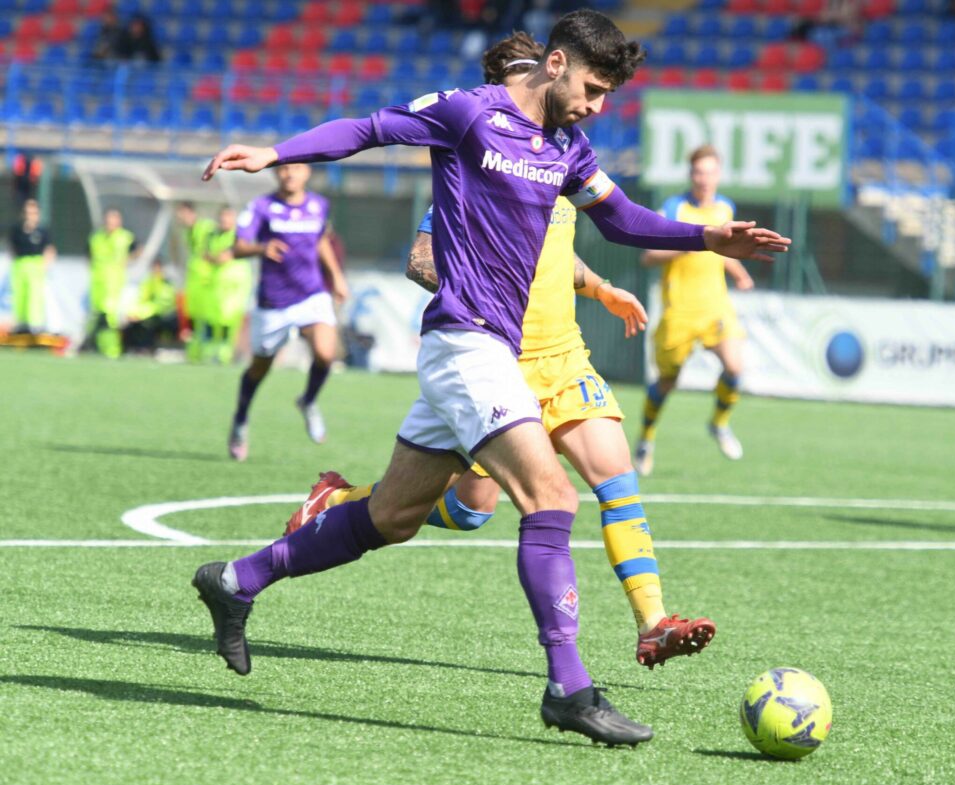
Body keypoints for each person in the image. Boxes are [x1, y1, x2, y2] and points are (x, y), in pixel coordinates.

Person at [190, 9, 788, 746]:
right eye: (596, 88)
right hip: (465, 345)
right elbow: (367, 128)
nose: (599, 107)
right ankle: (569, 687)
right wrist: (274, 151)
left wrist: (705, 237)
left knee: (391, 519)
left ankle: (236, 580)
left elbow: (625, 219)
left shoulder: (569, 145)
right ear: (559, 63)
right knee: (552, 495)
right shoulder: (470, 114)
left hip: (489, 354)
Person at [285, 32, 716, 672]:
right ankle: (342, 503)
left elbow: (554, 247)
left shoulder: (564, 152)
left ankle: (652, 622)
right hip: (495, 359)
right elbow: (424, 256)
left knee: (615, 481)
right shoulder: (478, 154)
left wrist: (600, 286)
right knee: (465, 509)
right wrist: (470, 283)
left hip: (563, 357)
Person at [634, 145, 756, 476]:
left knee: (735, 367)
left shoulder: (725, 208)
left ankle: (719, 423)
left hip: (715, 307)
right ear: (691, 175)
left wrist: (739, 272)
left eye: (710, 172)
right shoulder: (675, 208)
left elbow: (723, 249)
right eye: (698, 172)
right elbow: (648, 255)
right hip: (679, 312)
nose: (704, 178)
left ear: (718, 175)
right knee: (667, 383)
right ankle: (646, 437)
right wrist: (685, 245)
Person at [226, 163, 349, 461]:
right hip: (274, 303)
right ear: (274, 174)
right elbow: (238, 246)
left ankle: (307, 401)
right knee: (259, 369)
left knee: (325, 353)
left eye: (296, 168)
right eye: (283, 169)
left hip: (311, 295)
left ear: (306, 171)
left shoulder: (319, 204)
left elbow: (321, 241)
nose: (289, 174)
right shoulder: (261, 207)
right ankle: (240, 419)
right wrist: (261, 248)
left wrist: (336, 277)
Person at [205, 205, 254, 365]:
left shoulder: (239, 235)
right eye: (222, 217)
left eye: (228, 216)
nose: (224, 220)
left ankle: (226, 355)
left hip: (235, 286)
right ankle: (214, 353)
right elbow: (206, 255)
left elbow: (224, 256)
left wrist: (217, 257)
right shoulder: (214, 235)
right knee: (215, 320)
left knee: (230, 320)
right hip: (218, 284)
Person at [86, 208, 137, 359]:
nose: (110, 223)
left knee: (112, 318)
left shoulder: (125, 237)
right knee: (99, 316)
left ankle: (113, 349)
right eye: (108, 220)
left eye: (114, 219)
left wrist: (128, 261)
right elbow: (88, 254)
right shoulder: (96, 237)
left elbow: (137, 249)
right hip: (98, 284)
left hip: (115, 285)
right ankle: (101, 347)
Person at [7, 198, 56, 335]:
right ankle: (21, 324)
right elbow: (12, 249)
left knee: (34, 296)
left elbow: (49, 250)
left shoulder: (42, 231)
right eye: (28, 212)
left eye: (33, 212)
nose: (30, 215)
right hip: (20, 266)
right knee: (19, 296)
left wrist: (45, 266)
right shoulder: (17, 230)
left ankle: (34, 326)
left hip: (36, 266)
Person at [175, 202, 216, 364]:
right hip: (195, 281)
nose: (181, 219)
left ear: (191, 213)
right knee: (195, 318)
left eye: (183, 215)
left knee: (210, 319)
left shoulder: (206, 228)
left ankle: (209, 354)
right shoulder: (188, 232)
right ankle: (196, 354)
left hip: (209, 280)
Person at [123, 258, 178, 353]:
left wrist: (142, 315)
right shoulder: (148, 282)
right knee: (131, 324)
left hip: (166, 316)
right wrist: (134, 313)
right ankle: (135, 348)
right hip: (149, 313)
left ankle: (147, 347)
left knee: (148, 323)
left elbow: (162, 305)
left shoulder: (166, 283)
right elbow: (141, 300)